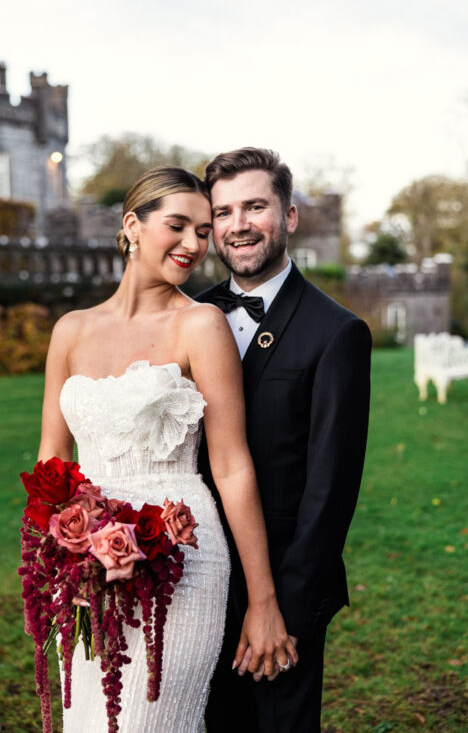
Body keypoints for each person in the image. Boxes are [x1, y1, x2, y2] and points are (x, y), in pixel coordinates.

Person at [37, 166, 297, 732]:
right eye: (178, 226)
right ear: (132, 225)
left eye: (203, 232)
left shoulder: (201, 324)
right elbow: (50, 465)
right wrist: (63, 555)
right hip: (83, 569)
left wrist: (262, 599)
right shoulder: (71, 331)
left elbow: (231, 466)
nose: (194, 245)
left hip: (183, 561)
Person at [196, 148, 372, 733]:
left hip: (281, 589)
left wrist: (281, 609)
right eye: (223, 212)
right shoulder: (190, 317)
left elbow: (331, 490)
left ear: (289, 216)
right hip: (192, 581)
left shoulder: (337, 332)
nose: (238, 225)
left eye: (255, 207)